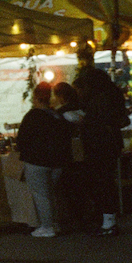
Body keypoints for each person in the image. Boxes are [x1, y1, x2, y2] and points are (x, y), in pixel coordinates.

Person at [73, 49, 128, 236]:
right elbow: (122, 119)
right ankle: (107, 219)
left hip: (100, 145)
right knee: (106, 181)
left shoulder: (99, 99)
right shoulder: (113, 95)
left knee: (102, 182)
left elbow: (96, 121)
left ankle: (108, 221)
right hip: (110, 144)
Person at [16, 82, 71, 237]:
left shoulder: (32, 117)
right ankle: (54, 223)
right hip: (57, 161)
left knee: (41, 194)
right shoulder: (56, 115)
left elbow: (22, 140)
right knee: (51, 193)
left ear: (36, 98)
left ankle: (47, 226)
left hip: (37, 161)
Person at [51, 81, 85, 224]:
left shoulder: (60, 113)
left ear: (60, 96)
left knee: (69, 187)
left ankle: (74, 217)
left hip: (68, 154)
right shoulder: (82, 108)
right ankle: (85, 215)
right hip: (84, 151)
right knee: (81, 185)